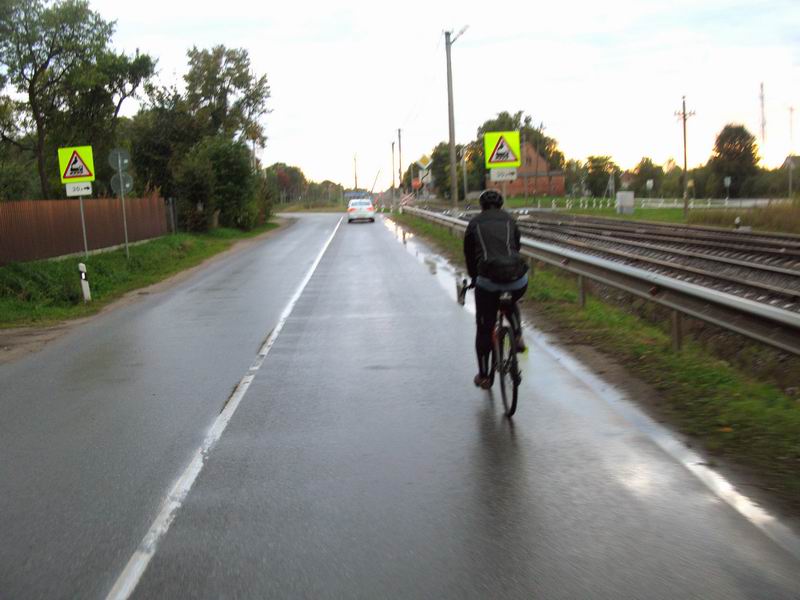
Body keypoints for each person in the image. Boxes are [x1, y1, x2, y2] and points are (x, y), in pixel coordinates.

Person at [463, 190, 529, 389]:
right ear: (501, 205)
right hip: (517, 280)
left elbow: (469, 255)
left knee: (484, 329)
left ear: (481, 206)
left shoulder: (474, 224)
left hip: (488, 283)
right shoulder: (510, 220)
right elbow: (516, 247)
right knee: (510, 301)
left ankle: (484, 376)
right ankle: (517, 335)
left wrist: (474, 278)